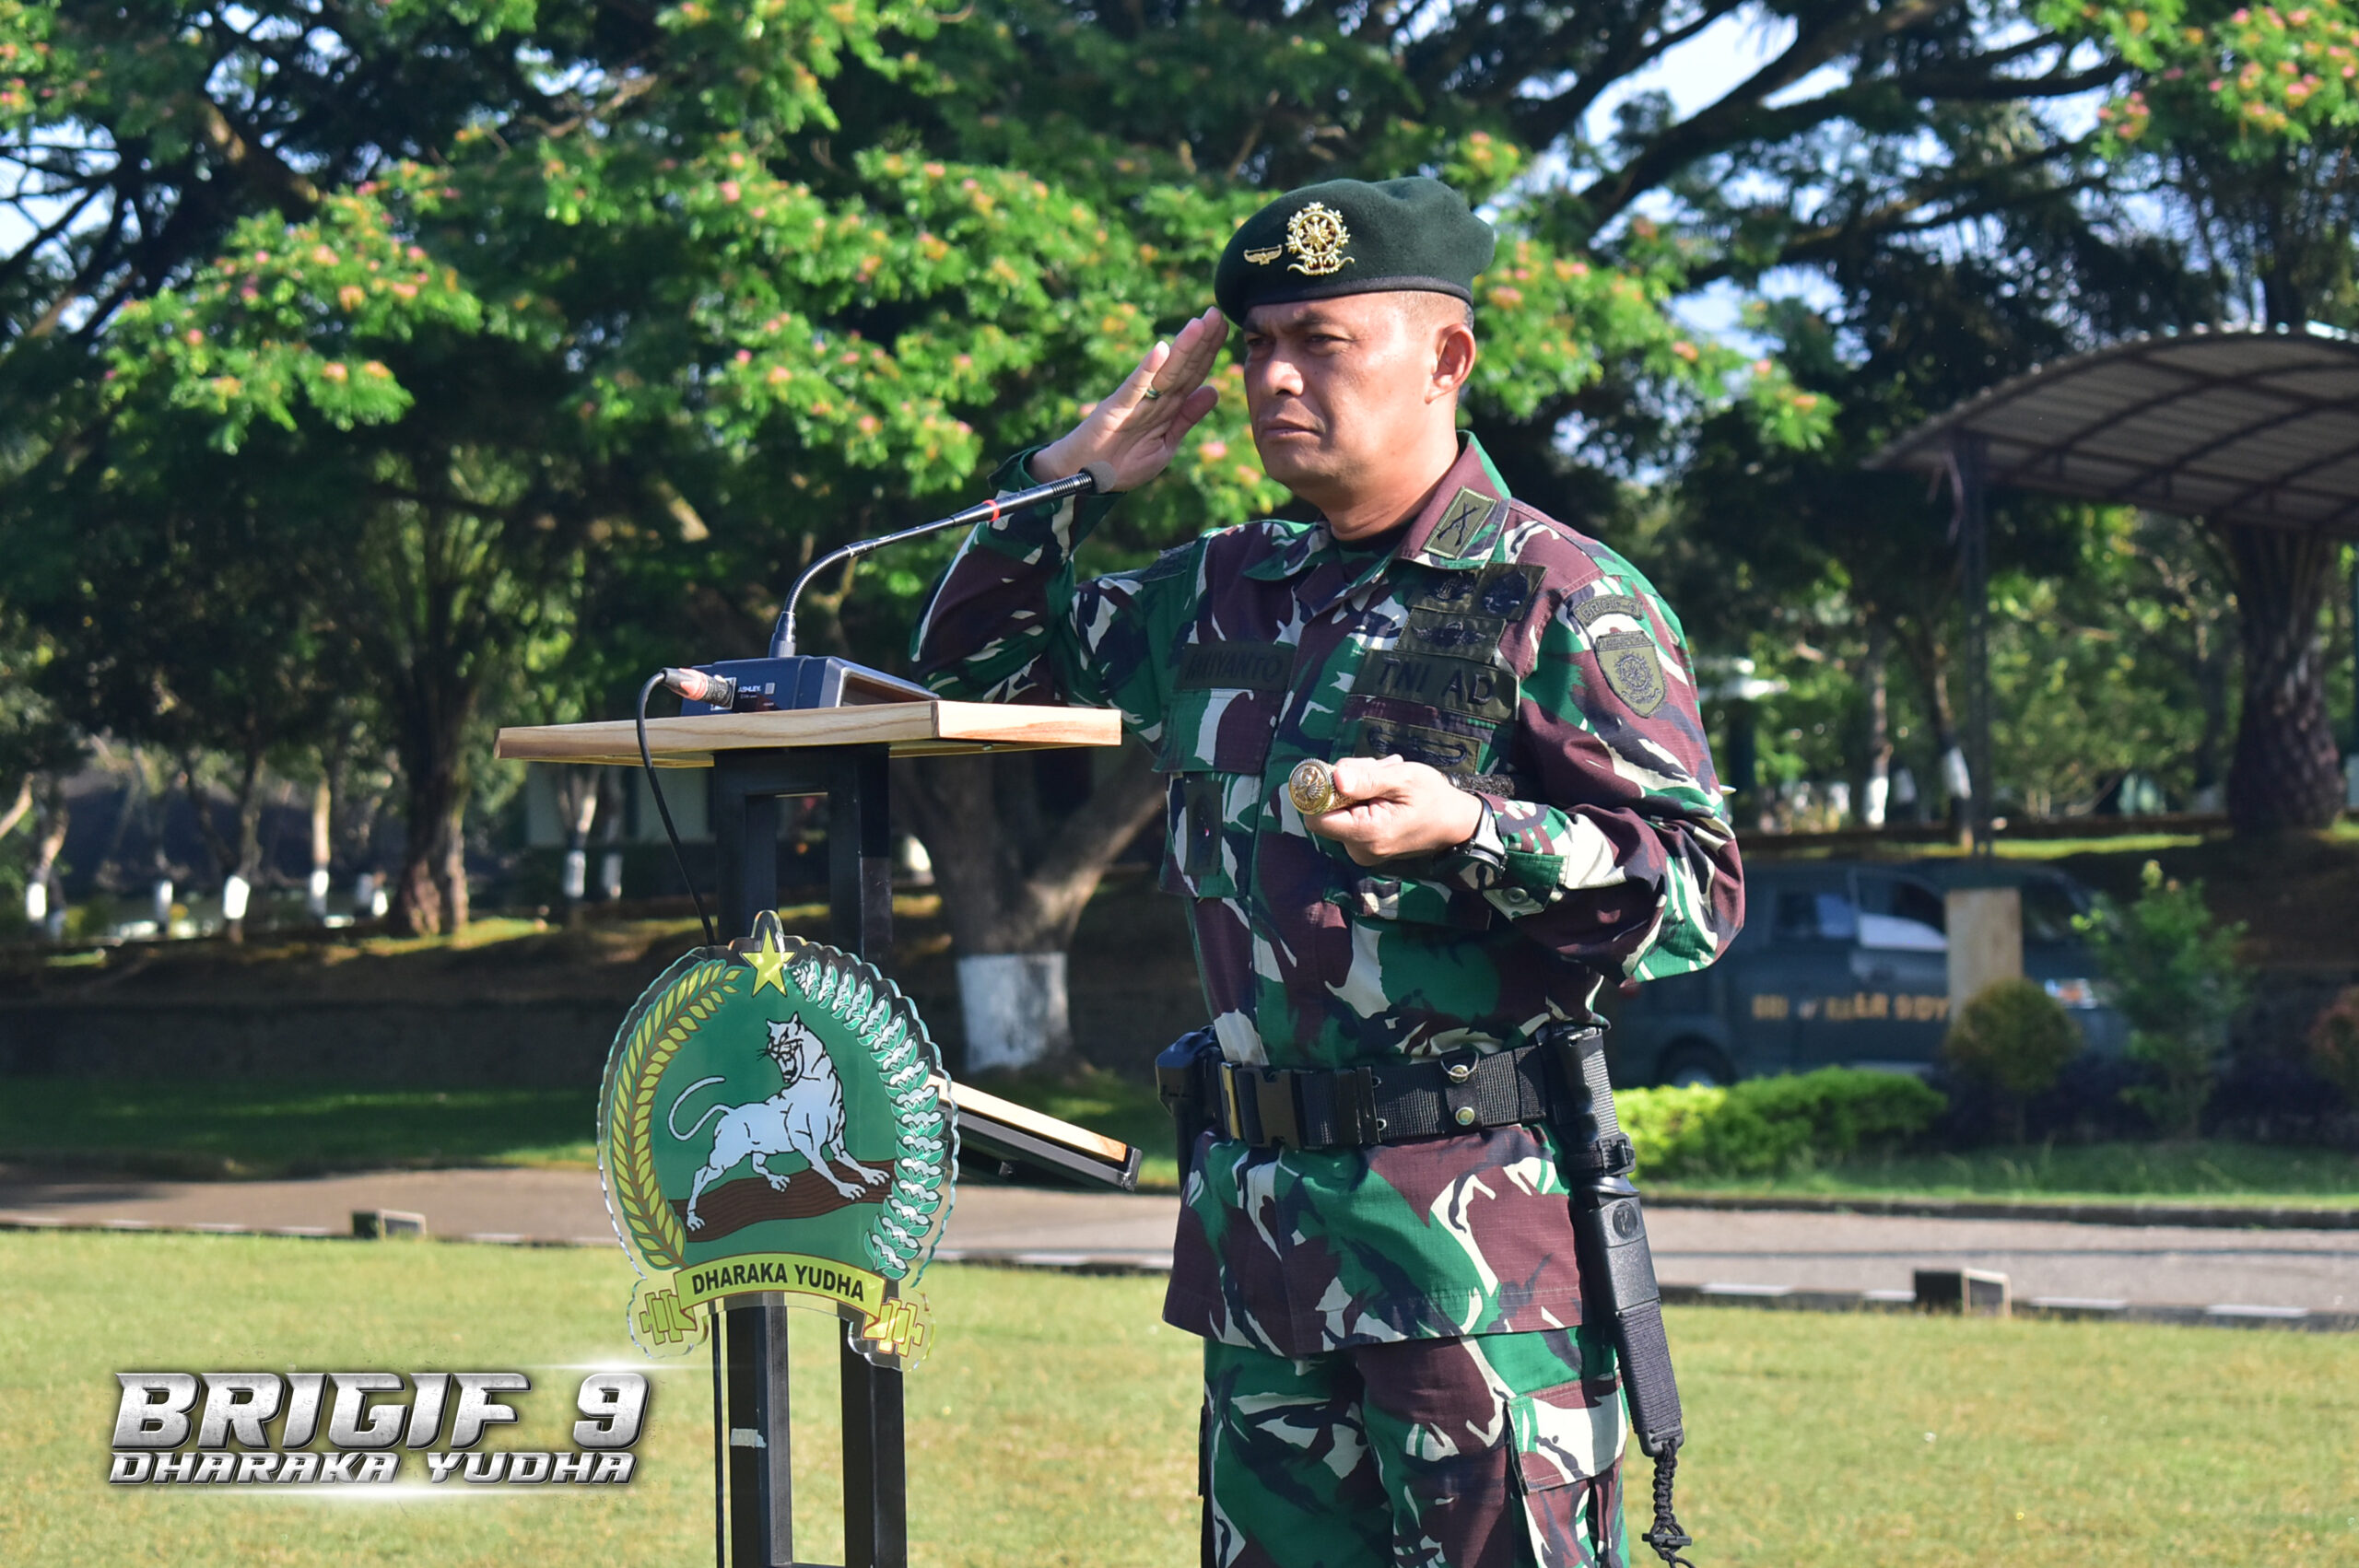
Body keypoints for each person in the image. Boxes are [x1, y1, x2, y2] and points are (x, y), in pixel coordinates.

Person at [913, 176, 1742, 1568]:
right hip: (1265, 1258)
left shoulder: (1552, 592)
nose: (1274, 377)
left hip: (1471, 1264)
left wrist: (1476, 827)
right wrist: (1072, 474)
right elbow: (969, 666)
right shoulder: (1225, 588)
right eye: (1254, 348)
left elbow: (1699, 889)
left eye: (1322, 340)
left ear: (1446, 358)